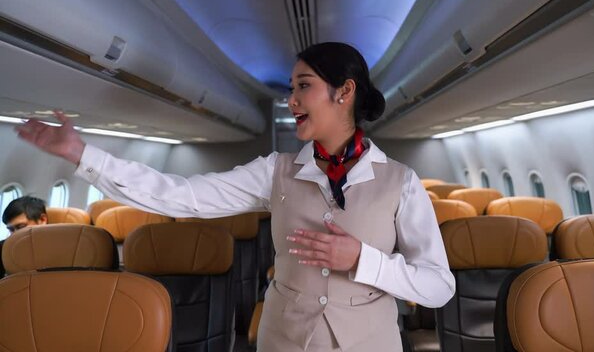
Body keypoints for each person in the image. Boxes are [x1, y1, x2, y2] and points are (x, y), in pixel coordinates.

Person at [16, 42, 455, 351]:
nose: (291, 99)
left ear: (344, 91)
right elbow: (179, 196)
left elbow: (438, 286)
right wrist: (83, 155)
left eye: (303, 86)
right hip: (284, 344)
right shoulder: (275, 172)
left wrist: (364, 259)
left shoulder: (401, 181)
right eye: (291, 87)